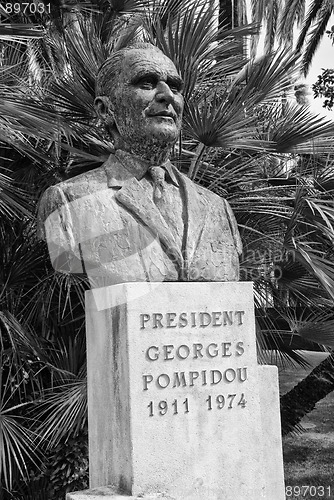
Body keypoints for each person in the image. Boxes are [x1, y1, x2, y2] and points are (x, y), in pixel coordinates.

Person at [38, 42, 242, 288]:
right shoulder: (69, 202)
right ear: (105, 110)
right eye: (146, 83)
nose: (167, 95)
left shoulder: (217, 208)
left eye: (175, 87)